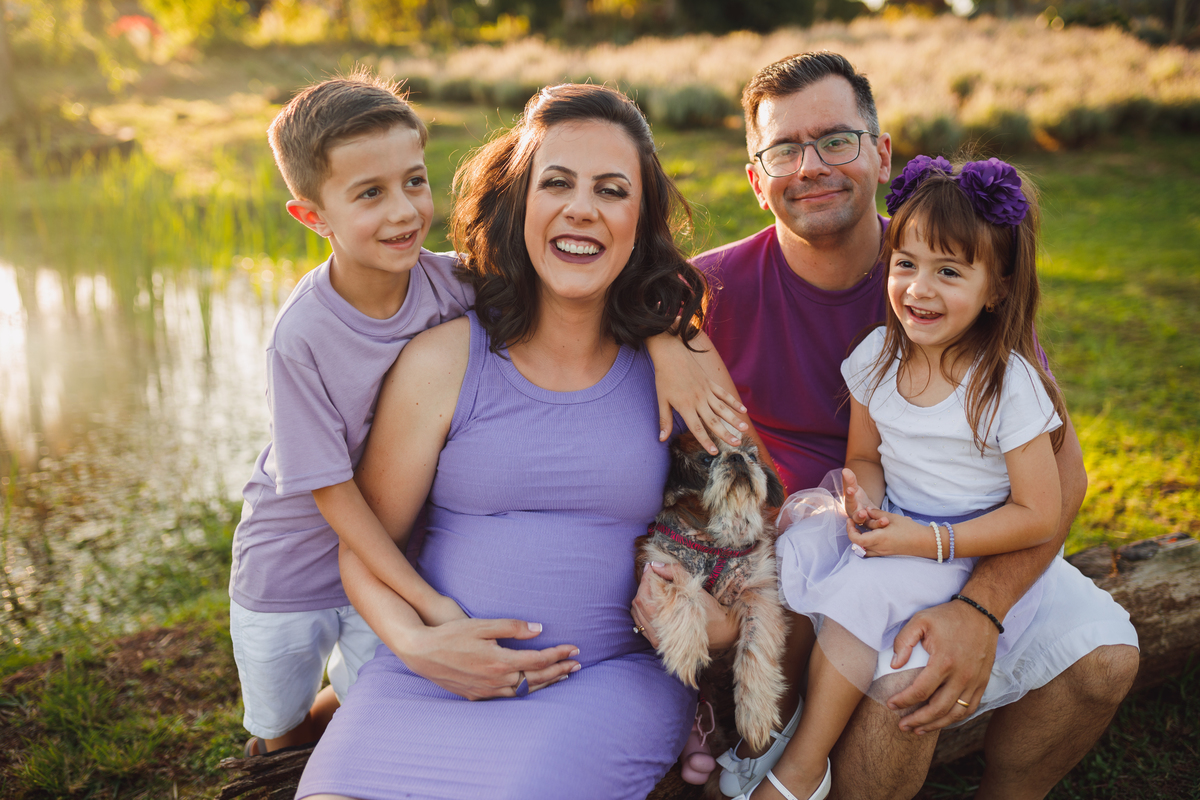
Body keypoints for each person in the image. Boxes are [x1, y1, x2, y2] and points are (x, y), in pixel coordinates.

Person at [230, 72, 741, 760]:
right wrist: (420, 637)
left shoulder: (453, 283)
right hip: (327, 583)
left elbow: (747, 530)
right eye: (556, 184)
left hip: (591, 683)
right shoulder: (348, 339)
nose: (582, 210)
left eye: (611, 190)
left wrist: (666, 334)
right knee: (300, 738)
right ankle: (287, 744)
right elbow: (349, 515)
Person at [682, 52, 1140, 799]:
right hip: (812, 568)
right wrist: (674, 345)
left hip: (957, 548)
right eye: (783, 149)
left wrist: (978, 610)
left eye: (836, 140)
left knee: (1104, 664)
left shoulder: (956, 264)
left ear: (881, 153)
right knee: (901, 690)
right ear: (755, 181)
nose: (812, 167)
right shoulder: (709, 291)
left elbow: (1064, 481)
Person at [765, 155, 1083, 800]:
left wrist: (924, 540)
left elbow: (1039, 513)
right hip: (900, 523)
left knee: (862, 595)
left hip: (970, 549)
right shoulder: (875, 360)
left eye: (949, 272)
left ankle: (802, 765)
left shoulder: (1007, 383)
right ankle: (766, 725)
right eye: (905, 264)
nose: (919, 289)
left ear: (995, 288)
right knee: (797, 545)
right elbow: (866, 459)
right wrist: (864, 504)